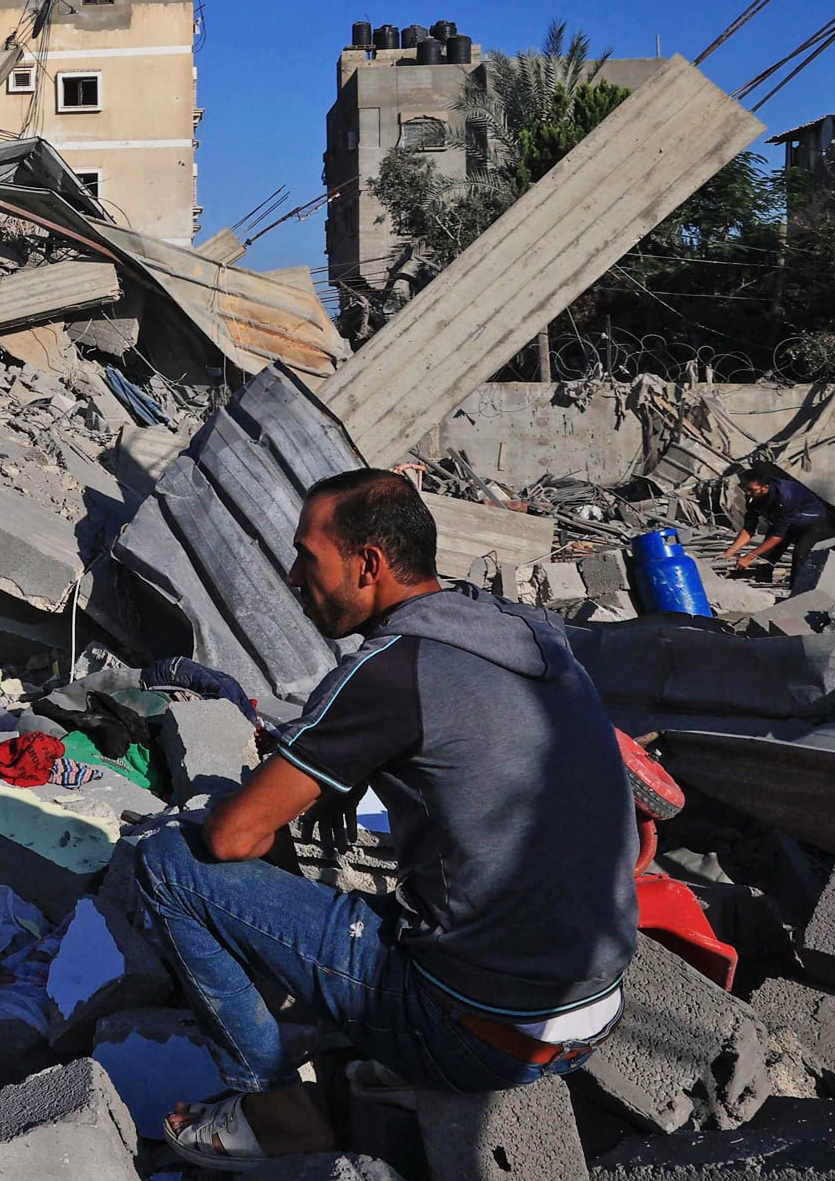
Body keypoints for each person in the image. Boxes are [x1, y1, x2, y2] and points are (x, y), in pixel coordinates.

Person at [136, 469, 637, 1167]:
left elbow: (232, 837)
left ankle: (270, 1103)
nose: (292, 575)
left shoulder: (392, 671)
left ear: (367, 563)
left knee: (168, 863)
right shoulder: (528, 633)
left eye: (307, 557)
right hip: (599, 1010)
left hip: (479, 1034)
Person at [722, 462, 835, 594]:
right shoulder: (753, 496)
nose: (747, 493)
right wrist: (729, 552)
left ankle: (797, 592)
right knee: (766, 555)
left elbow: (776, 537)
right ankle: (763, 585)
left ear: (764, 488)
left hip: (811, 521)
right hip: (786, 519)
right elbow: (748, 529)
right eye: (746, 488)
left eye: (751, 490)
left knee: (800, 554)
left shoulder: (785, 497)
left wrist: (748, 557)